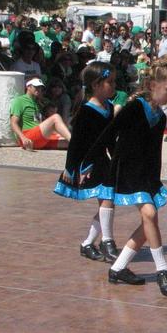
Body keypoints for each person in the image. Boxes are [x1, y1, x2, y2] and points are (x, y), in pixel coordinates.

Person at [84, 55, 167, 296]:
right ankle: (163, 270)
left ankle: (118, 268)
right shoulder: (134, 107)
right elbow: (108, 134)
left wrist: (155, 181)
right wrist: (87, 163)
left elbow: (154, 152)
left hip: (145, 175)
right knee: (150, 214)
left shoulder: (159, 117)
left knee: (148, 221)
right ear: (152, 86)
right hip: (126, 172)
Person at [53, 62, 119, 262]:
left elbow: (108, 139)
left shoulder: (108, 108)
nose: (114, 85)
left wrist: (117, 158)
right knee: (107, 200)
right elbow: (76, 144)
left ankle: (88, 243)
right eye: (110, 82)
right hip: (89, 164)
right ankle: (107, 241)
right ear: (96, 85)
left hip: (103, 161)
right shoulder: (86, 111)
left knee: (108, 202)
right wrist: (73, 168)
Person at [10, 78, 71, 150]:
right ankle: (74, 141)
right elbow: (13, 123)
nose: (39, 89)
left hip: (38, 137)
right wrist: (23, 138)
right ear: (28, 87)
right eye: (36, 87)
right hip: (28, 136)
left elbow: (38, 122)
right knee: (55, 117)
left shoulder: (37, 103)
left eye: (40, 88)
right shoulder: (19, 101)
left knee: (66, 143)